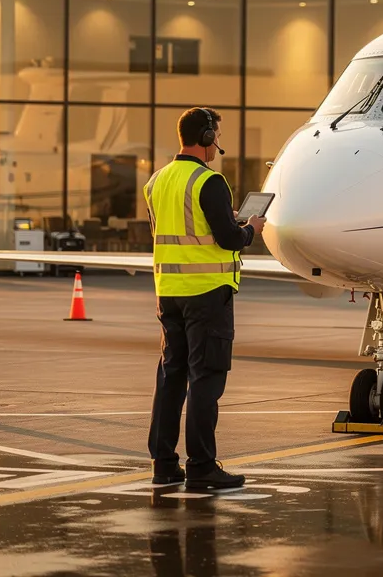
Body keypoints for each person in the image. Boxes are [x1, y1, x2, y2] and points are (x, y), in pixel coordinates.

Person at [145, 107, 265, 490]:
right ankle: (201, 466)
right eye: (216, 137)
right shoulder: (209, 181)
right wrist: (249, 229)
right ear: (208, 136)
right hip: (207, 294)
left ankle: (164, 465)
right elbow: (229, 240)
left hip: (169, 293)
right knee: (205, 380)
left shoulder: (157, 180)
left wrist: (223, 218)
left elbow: (177, 228)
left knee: (171, 377)